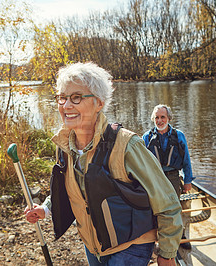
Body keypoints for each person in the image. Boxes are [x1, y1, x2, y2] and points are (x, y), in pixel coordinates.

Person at [24, 62, 183, 266]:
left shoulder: (127, 145)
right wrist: (45, 209)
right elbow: (72, 190)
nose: (66, 106)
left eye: (76, 97)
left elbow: (168, 203)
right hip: (93, 245)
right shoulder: (64, 146)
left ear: (99, 103)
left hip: (132, 245)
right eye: (62, 98)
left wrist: (167, 254)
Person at [142, 104, 194, 249]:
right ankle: (160, 238)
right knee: (156, 208)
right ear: (153, 119)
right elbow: (141, 163)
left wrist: (188, 180)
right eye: (156, 118)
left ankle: (180, 235)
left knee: (175, 208)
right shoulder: (146, 137)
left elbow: (186, 161)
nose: (159, 121)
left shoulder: (179, 135)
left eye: (162, 117)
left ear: (169, 118)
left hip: (173, 177)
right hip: (155, 178)